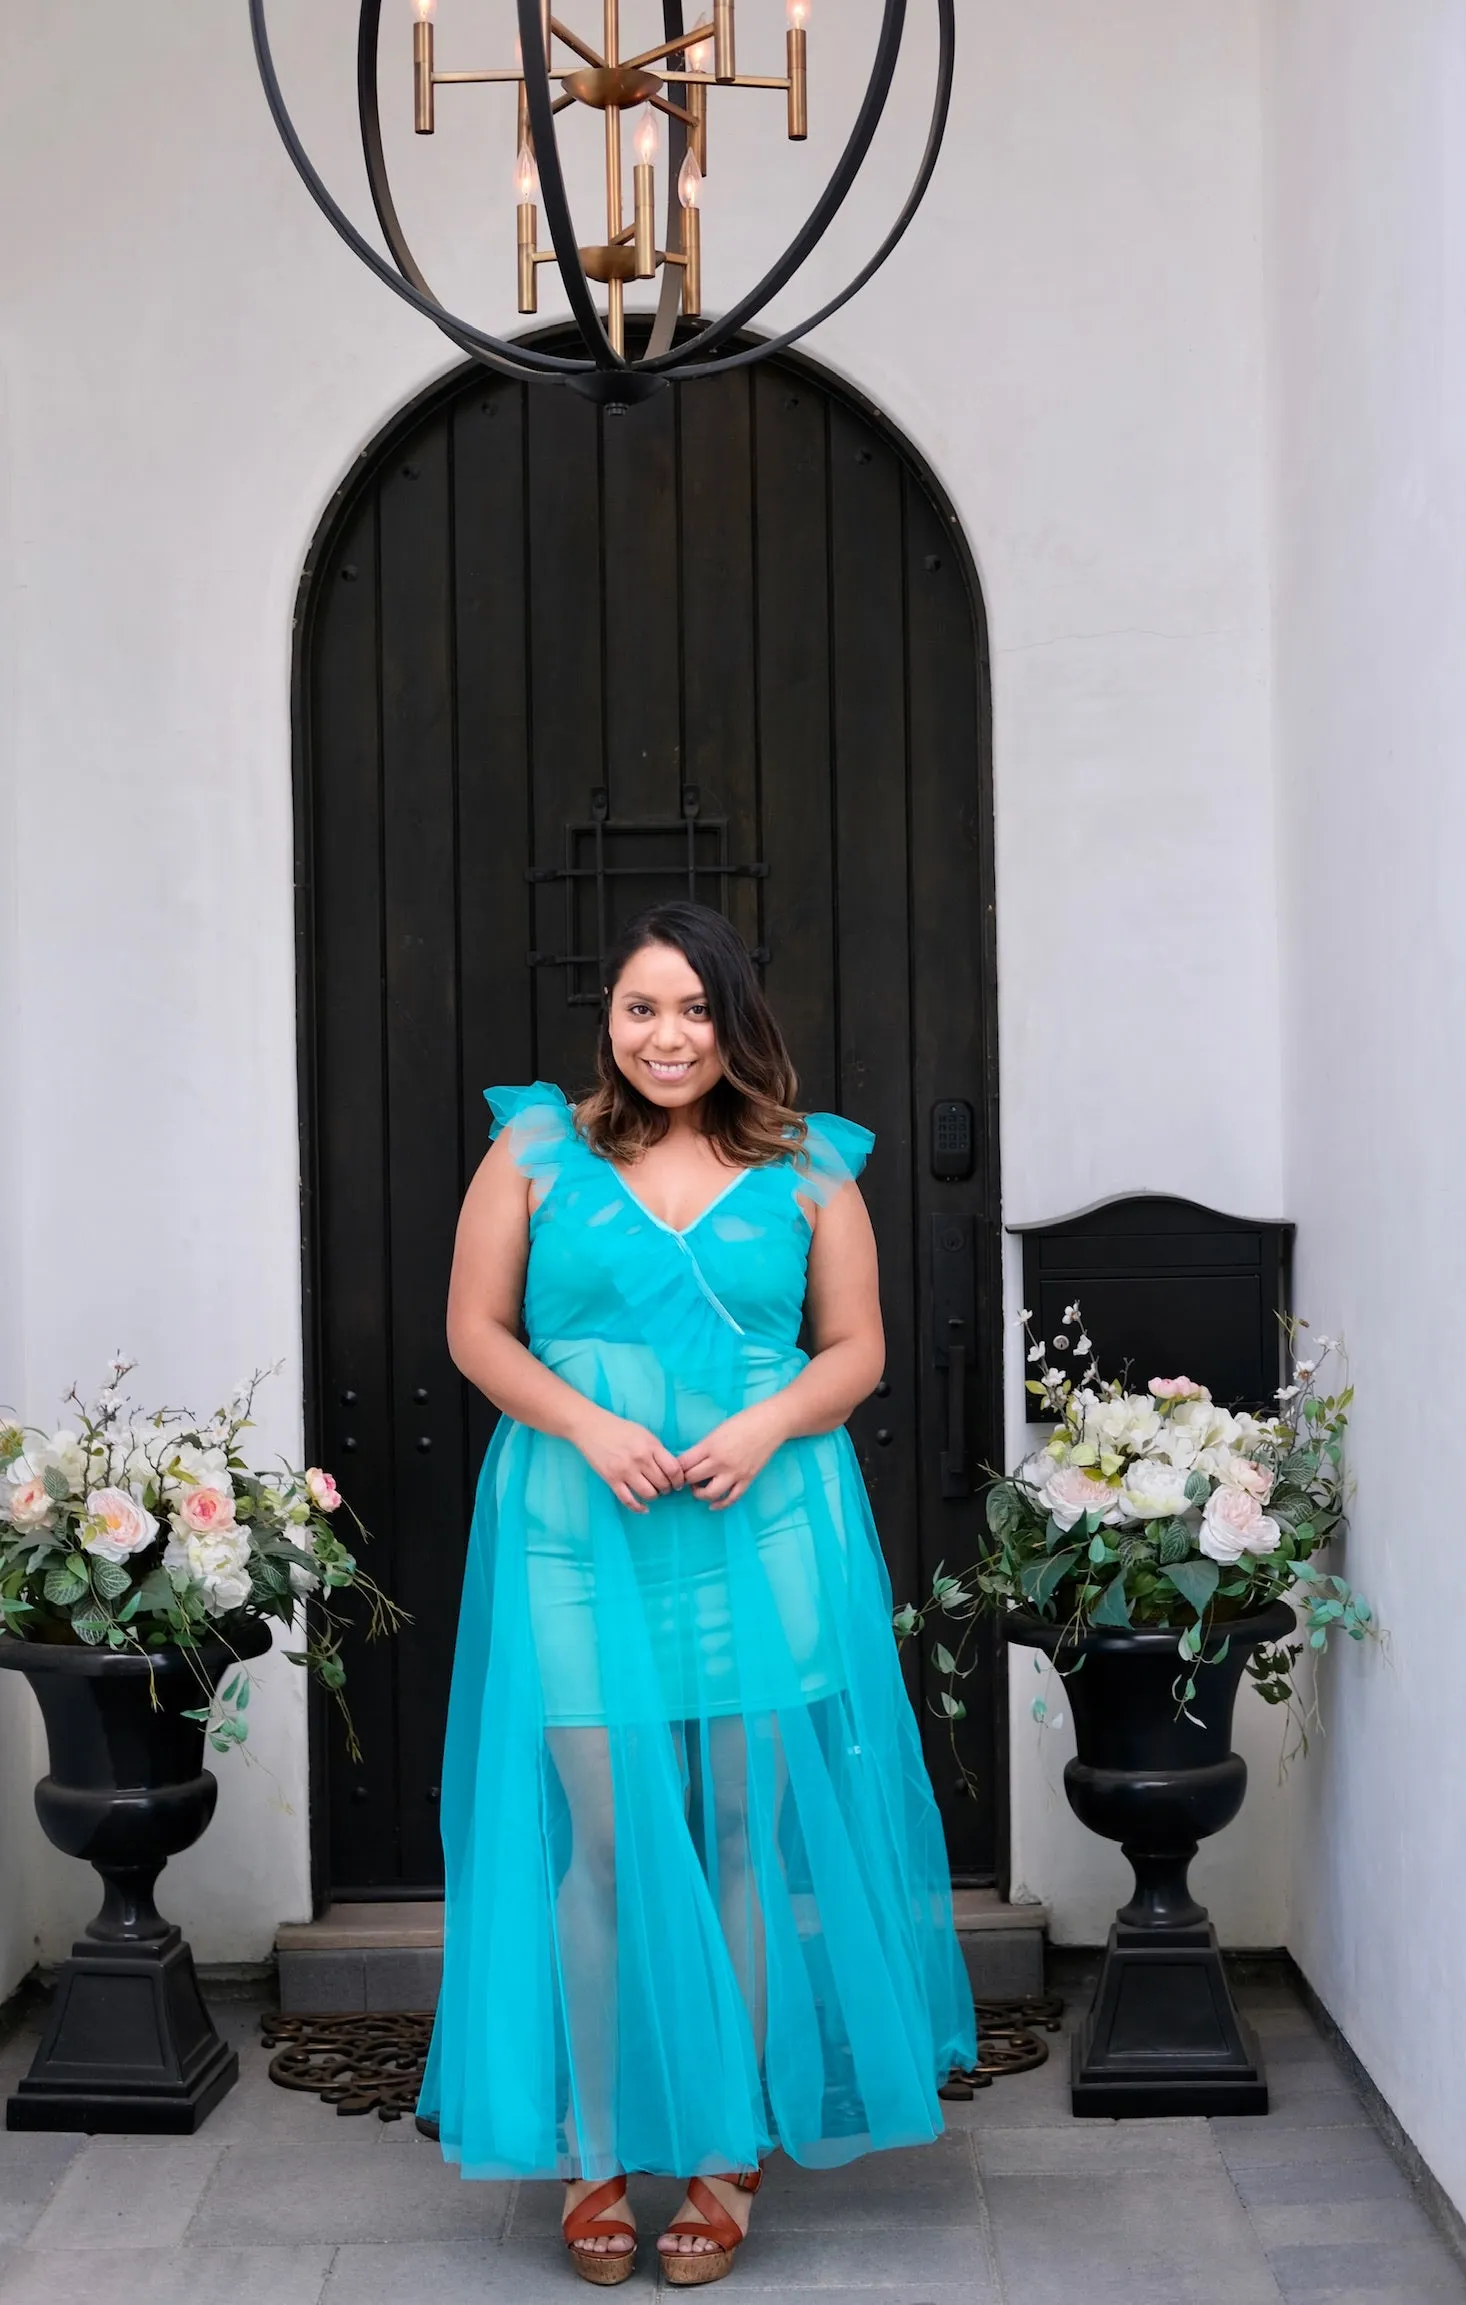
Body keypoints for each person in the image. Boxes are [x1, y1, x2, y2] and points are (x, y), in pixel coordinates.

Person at [417, 900, 974, 2288]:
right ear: (608, 1021)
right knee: (604, 1844)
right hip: (572, 1526)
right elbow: (473, 1331)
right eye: (640, 1010)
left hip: (762, 1526)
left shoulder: (807, 1166)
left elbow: (857, 1351)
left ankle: (726, 2149)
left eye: (694, 1009)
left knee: (738, 1832)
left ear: (734, 1019)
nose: (667, 1037)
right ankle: (597, 2143)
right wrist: (587, 1424)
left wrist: (770, 1424)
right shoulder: (535, 1150)